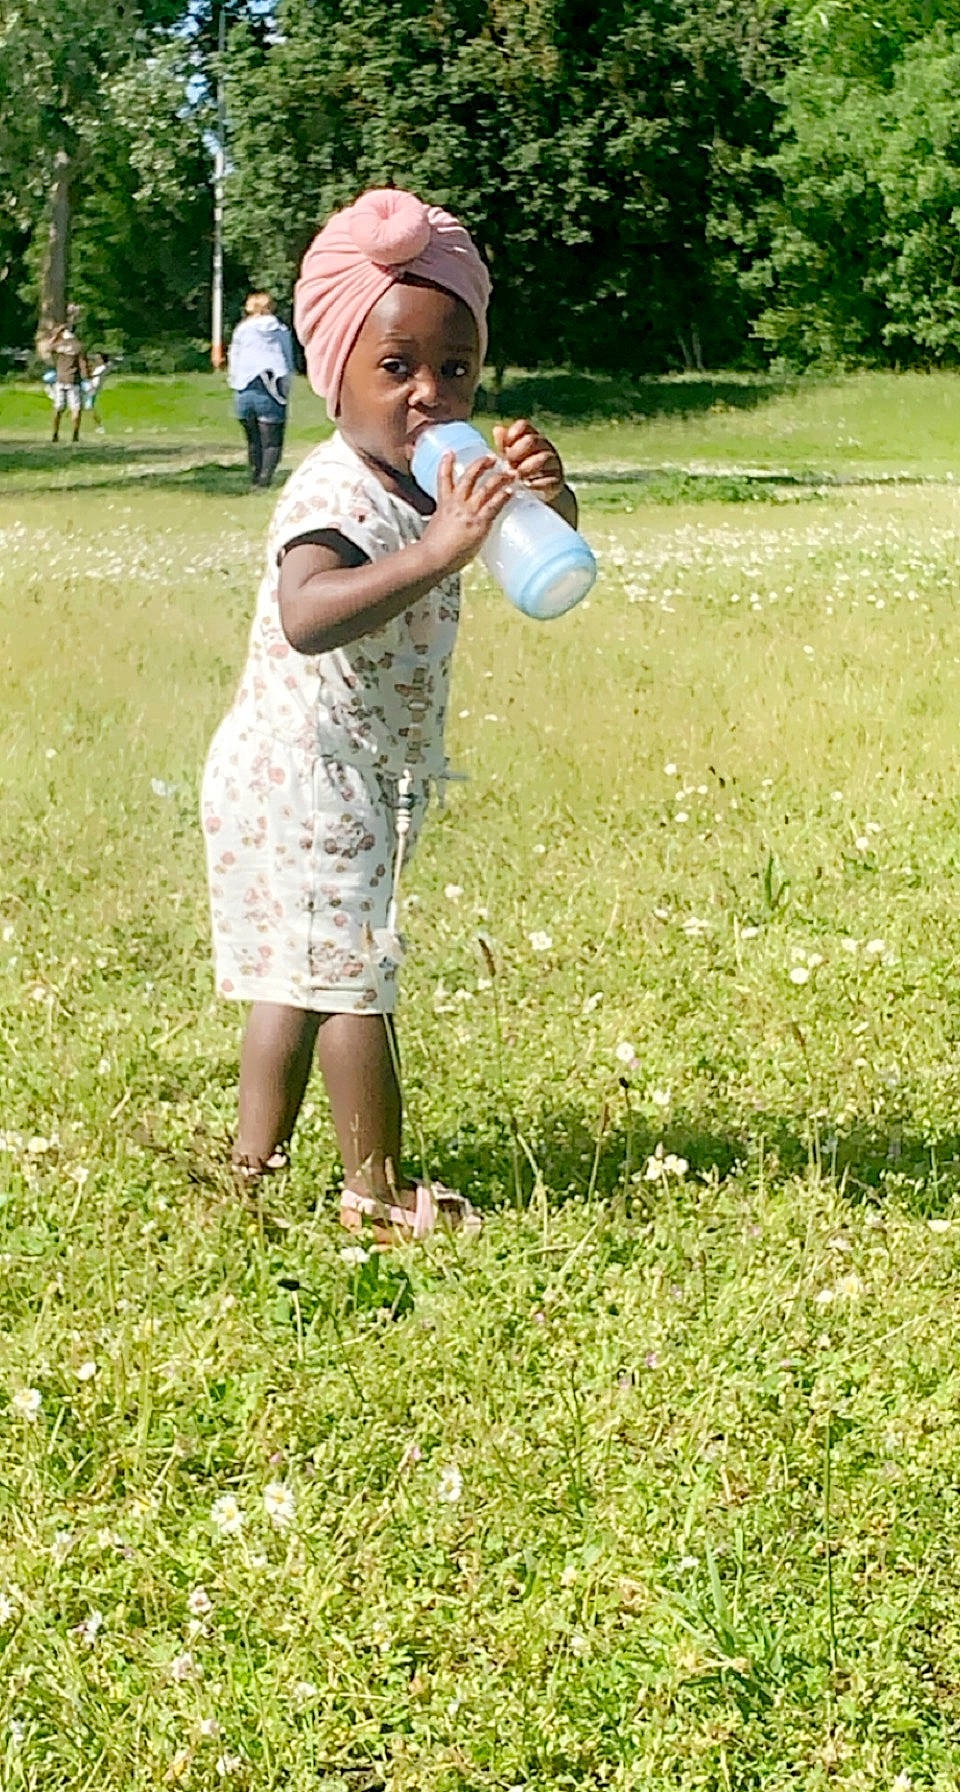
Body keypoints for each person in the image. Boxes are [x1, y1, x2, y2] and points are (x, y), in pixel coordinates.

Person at [201, 187, 577, 1241]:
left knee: (300, 973)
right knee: (354, 976)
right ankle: (374, 1192)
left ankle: (252, 1164)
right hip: (303, 769)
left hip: (341, 768)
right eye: (395, 368)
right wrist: (436, 551)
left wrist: (548, 496)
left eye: (453, 368)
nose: (428, 394)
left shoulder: (440, 481)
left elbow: (539, 559)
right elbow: (309, 610)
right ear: (331, 375)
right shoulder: (332, 489)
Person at [227, 293, 296, 489]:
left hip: (245, 387)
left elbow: (235, 355)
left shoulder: (242, 330)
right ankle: (265, 479)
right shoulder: (280, 329)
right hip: (271, 386)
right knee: (272, 441)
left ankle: (255, 474)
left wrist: (233, 379)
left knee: (253, 439)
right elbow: (287, 357)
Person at [48, 308, 89, 443]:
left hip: (60, 380)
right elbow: (83, 365)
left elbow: (49, 347)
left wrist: (58, 331)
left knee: (58, 408)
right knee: (75, 408)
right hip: (73, 381)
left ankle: (55, 434)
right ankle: (75, 435)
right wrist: (86, 377)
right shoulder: (78, 347)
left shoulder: (60, 345)